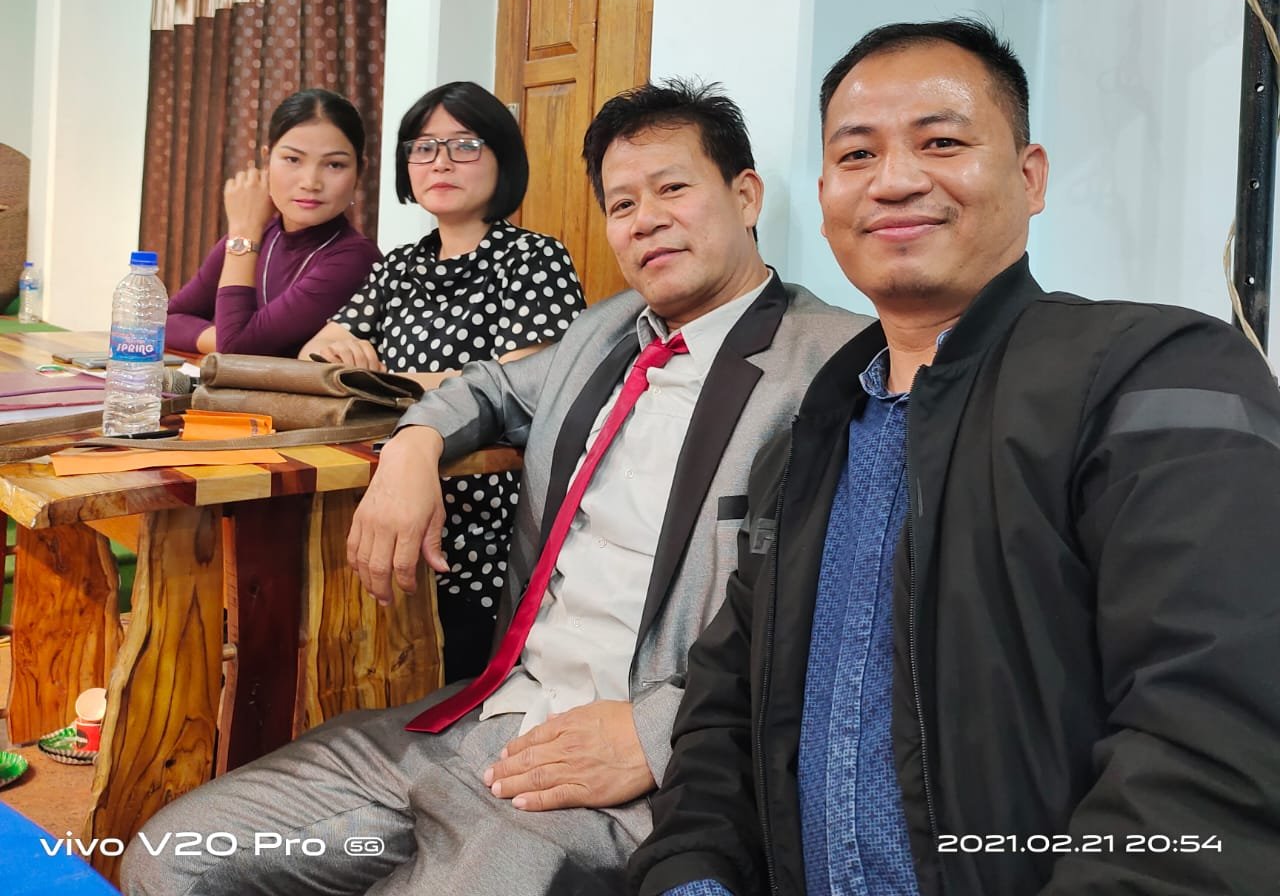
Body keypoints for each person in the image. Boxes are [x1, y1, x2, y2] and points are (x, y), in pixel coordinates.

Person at [121, 79, 870, 896]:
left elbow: (853, 616)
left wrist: (659, 732)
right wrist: (413, 447)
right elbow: (487, 387)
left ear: (746, 195)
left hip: (613, 770)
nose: (645, 219)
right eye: (622, 204)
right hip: (477, 719)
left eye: (672, 189)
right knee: (168, 857)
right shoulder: (605, 332)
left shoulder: (834, 363)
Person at [629, 19, 1280, 896]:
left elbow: (1219, 744)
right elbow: (722, 720)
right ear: (824, 196)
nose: (895, 180)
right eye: (857, 155)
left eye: (941, 142)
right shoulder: (806, 444)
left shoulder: (1156, 375)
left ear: (1030, 176)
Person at [299, 81, 586, 679]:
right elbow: (314, 357)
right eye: (424, 148)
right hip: (379, 496)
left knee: (450, 687)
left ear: (503, 158)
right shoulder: (399, 266)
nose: (441, 163)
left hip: (487, 520)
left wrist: (381, 379)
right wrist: (334, 351)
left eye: (465, 145)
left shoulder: (534, 259)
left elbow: (518, 390)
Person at [166, 88, 380, 359]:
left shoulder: (355, 258)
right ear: (267, 161)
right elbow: (165, 321)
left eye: (334, 165)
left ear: (360, 172)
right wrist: (224, 339)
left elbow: (237, 348)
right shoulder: (260, 234)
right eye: (293, 159)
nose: (310, 182)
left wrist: (243, 233)